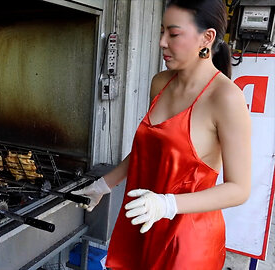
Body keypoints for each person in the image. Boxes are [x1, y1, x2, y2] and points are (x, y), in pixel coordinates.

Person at [72, 0, 251, 269]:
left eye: (173, 33)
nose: (162, 42)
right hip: (144, 226)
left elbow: (239, 189)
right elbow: (150, 151)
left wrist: (167, 205)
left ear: (207, 37)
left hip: (186, 240)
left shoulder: (225, 98)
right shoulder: (161, 82)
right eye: (161, 31)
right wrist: (104, 185)